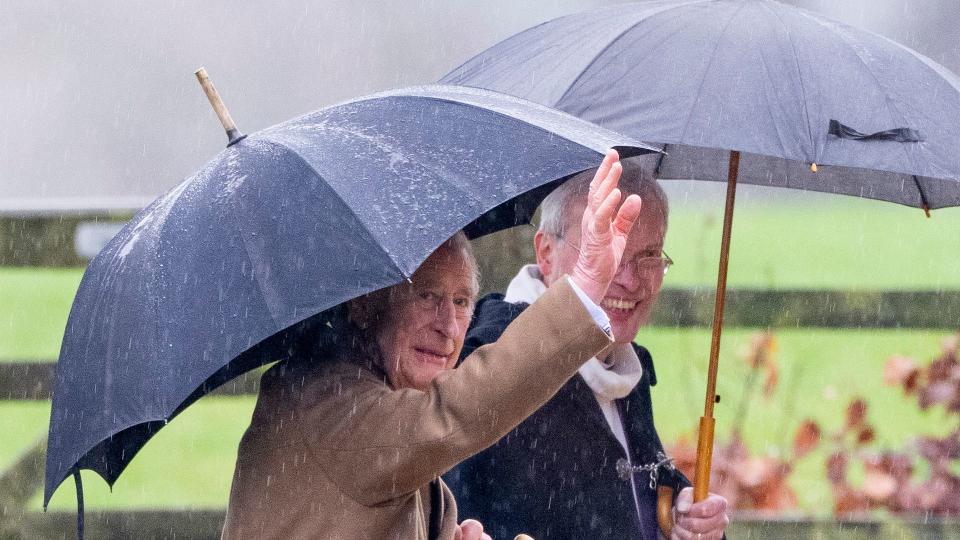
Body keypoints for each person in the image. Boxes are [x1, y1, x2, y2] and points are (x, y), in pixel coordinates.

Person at [222, 151, 642, 540]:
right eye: (426, 296)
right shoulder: (326, 402)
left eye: (461, 302)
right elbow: (456, 413)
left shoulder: (380, 402)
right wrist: (584, 285)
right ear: (367, 304)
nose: (448, 326)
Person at [446, 156, 730, 539]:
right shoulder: (486, 362)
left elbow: (633, 499)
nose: (629, 280)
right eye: (603, 249)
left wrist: (682, 511)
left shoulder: (627, 369)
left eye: (648, 256)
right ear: (545, 253)